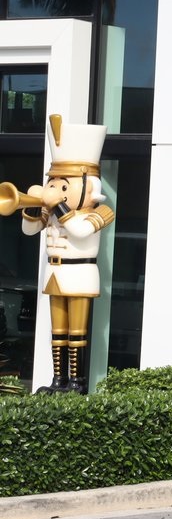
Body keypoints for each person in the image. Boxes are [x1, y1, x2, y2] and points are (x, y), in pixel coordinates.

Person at [20, 114, 113, 393]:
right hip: (55, 273)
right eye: (53, 182)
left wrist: (57, 204)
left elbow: (81, 231)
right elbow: (28, 230)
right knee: (58, 332)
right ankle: (58, 380)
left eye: (64, 184)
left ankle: (78, 381)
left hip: (81, 273)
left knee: (77, 333)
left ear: (89, 185)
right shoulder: (53, 212)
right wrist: (36, 205)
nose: (56, 188)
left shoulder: (100, 212)